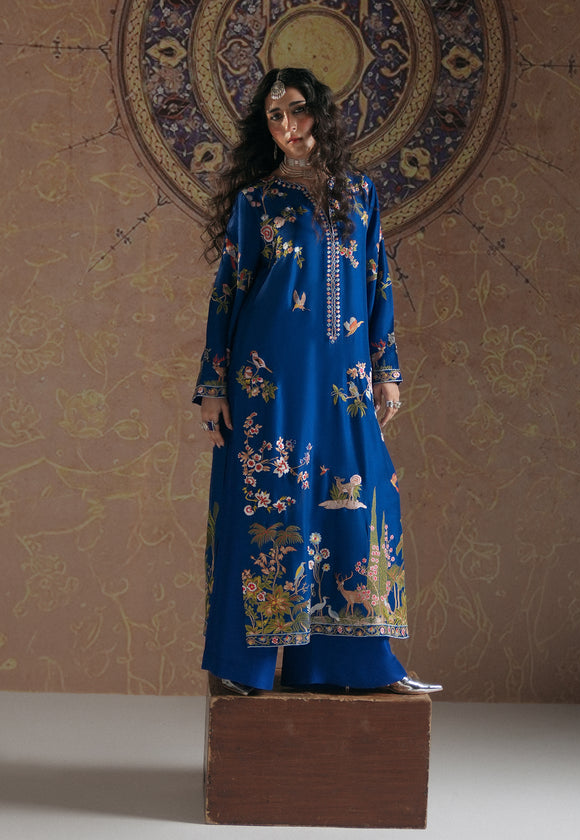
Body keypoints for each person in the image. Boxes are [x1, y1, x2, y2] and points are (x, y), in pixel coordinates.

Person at [193, 67, 442, 697]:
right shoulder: (257, 202)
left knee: (356, 501)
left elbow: (378, 281)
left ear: (320, 114)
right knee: (270, 507)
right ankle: (248, 668)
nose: (288, 126)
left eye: (298, 110)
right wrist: (214, 384)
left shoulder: (359, 194)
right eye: (275, 117)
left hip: (345, 380)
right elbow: (227, 294)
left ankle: (353, 666)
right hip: (269, 383)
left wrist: (387, 370)